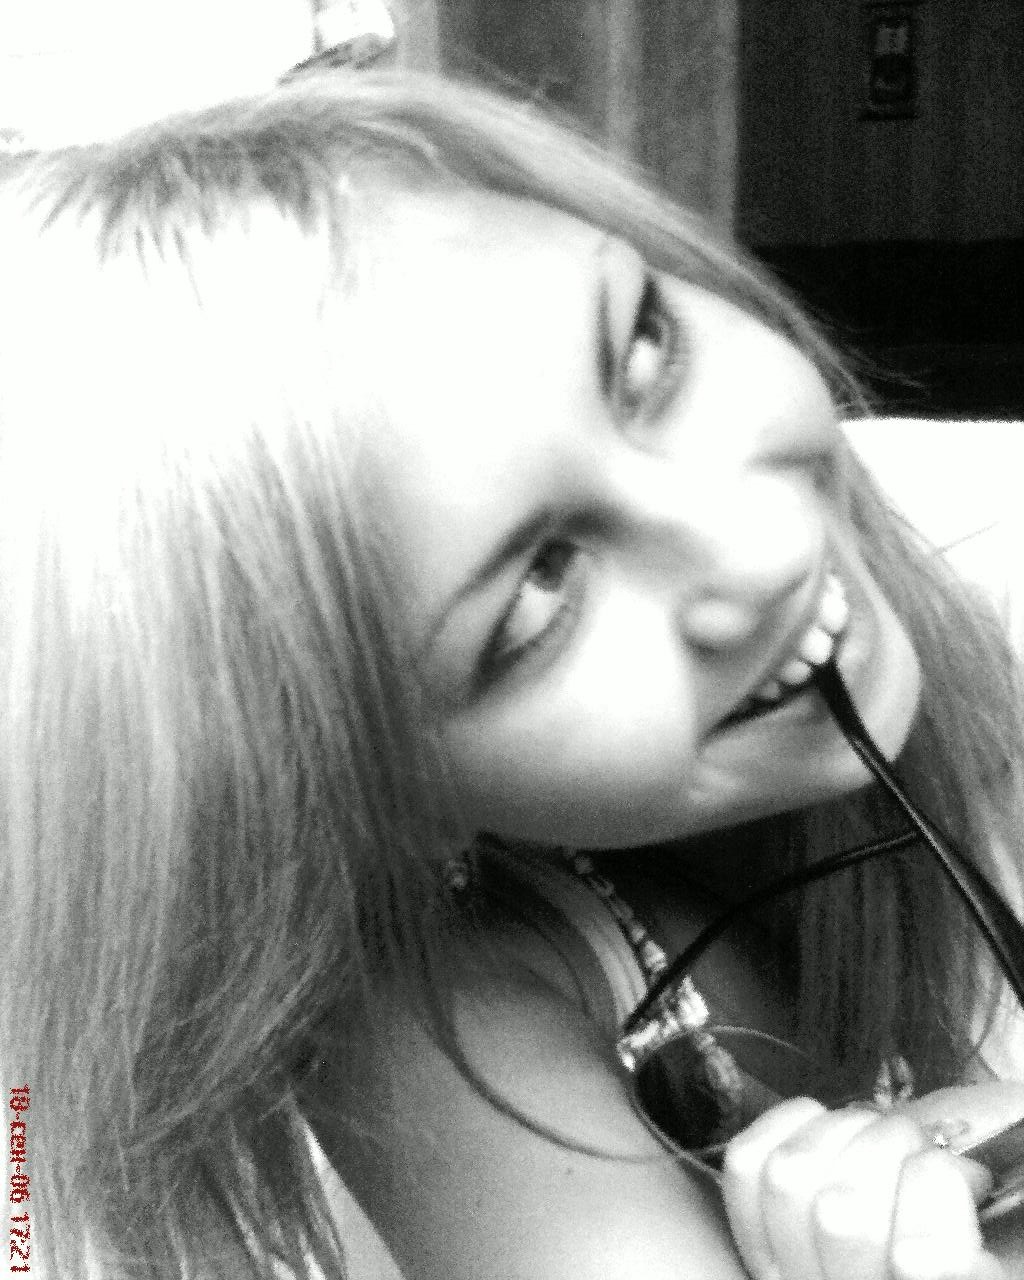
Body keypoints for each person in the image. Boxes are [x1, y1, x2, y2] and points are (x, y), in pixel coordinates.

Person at [1, 71, 1022, 1280]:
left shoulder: (974, 543)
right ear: (373, 800)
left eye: (643, 351)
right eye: (535, 597)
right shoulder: (452, 1027)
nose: (766, 548)